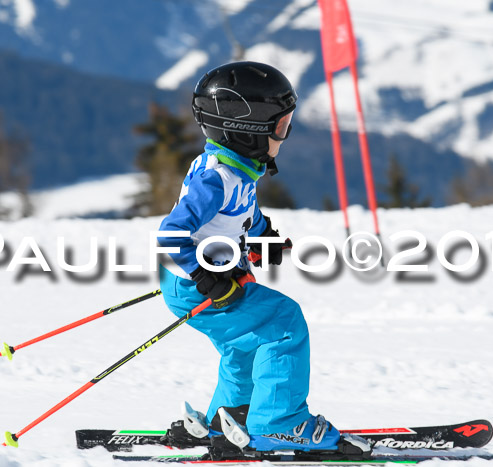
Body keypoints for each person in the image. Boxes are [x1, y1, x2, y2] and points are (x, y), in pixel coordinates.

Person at [157, 61, 369, 454]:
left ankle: (230, 419)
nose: (284, 136)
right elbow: (172, 234)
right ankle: (279, 424)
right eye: (281, 126)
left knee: (244, 344)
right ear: (248, 130)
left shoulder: (237, 170)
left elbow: (242, 214)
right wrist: (205, 277)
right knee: (284, 321)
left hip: (199, 281)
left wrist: (262, 238)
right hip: (196, 284)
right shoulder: (215, 177)